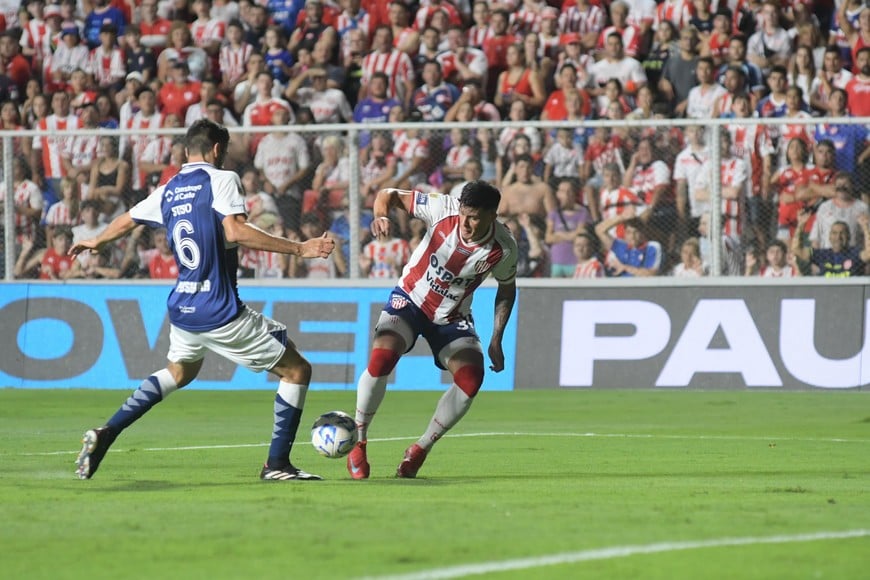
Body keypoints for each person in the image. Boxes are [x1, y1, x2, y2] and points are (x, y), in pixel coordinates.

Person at [71, 119, 336, 481]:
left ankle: (107, 431)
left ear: (185, 151)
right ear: (216, 150)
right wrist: (300, 248)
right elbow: (235, 230)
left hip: (183, 308)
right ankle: (277, 465)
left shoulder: (168, 189)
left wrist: (97, 240)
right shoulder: (221, 179)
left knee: (180, 372)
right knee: (297, 370)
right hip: (219, 309)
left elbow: (128, 219)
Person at [346, 182, 517, 479]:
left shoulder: (503, 247)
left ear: (492, 216)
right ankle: (359, 442)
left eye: (475, 218)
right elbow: (388, 194)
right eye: (464, 214)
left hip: (452, 316)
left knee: (471, 378)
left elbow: (507, 288)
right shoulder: (442, 208)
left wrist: (496, 338)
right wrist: (381, 215)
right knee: (382, 357)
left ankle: (420, 449)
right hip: (410, 300)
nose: (466, 223)